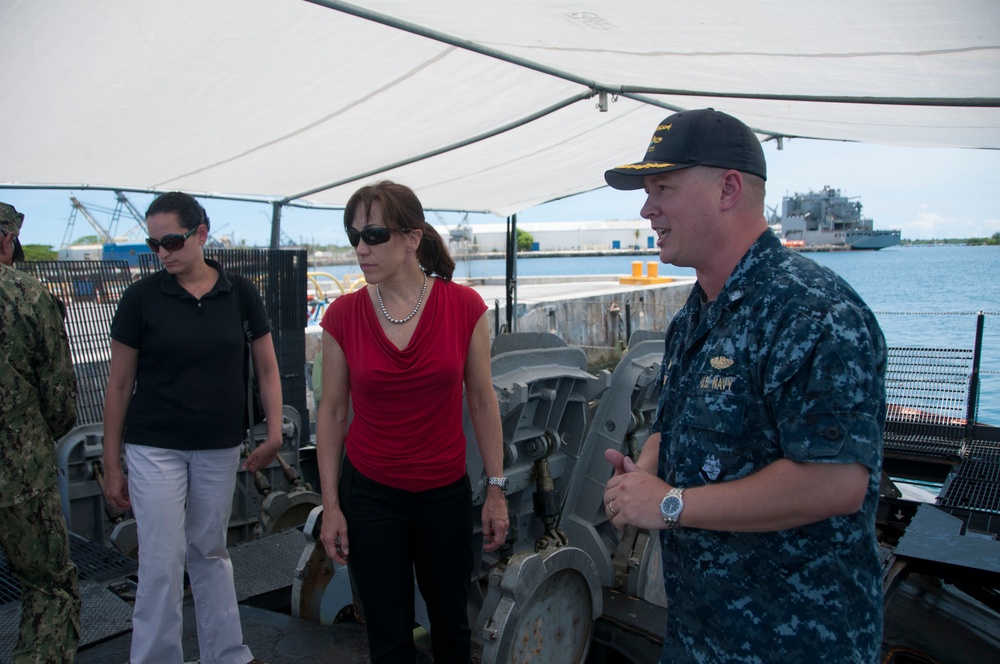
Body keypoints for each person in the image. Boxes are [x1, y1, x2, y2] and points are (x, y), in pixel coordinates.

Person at [601, 109, 887, 662]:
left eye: (663, 187)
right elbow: (672, 424)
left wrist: (669, 505)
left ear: (728, 189)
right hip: (699, 632)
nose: (646, 208)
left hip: (794, 642)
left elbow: (835, 484)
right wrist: (647, 471)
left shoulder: (811, 311)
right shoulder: (697, 312)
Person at [315, 180, 508, 663]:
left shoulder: (464, 308)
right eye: (353, 234)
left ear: (411, 238)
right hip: (371, 494)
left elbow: (482, 402)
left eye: (374, 234)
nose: (361, 247)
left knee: (451, 626)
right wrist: (331, 506)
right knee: (387, 634)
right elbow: (334, 412)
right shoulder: (342, 315)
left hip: (443, 494)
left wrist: (497, 490)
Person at [101, 191, 281, 664]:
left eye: (173, 241)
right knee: (160, 560)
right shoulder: (141, 297)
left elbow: (266, 368)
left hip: (218, 445)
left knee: (211, 552)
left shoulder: (239, 292)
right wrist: (111, 462)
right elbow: (119, 386)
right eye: (154, 245)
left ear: (201, 233)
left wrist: (276, 430)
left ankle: (226, 653)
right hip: (153, 445)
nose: (163, 253)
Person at [0, 202, 81, 663]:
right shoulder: (27, 295)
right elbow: (59, 401)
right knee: (49, 587)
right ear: (9, 240)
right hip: (21, 476)